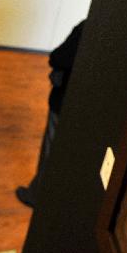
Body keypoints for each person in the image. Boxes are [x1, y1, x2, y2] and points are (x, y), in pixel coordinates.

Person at [16, 20, 85, 208]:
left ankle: (36, 195)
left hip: (66, 101)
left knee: (51, 149)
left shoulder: (88, 27)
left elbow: (59, 57)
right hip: (89, 109)